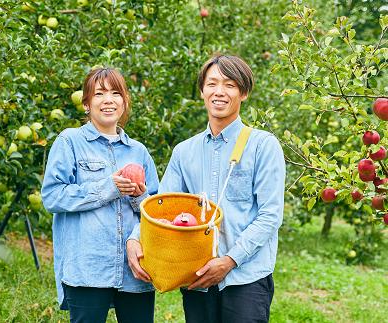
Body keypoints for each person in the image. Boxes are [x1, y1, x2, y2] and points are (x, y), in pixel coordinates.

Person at [127, 54, 285, 322]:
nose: (219, 92)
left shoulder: (263, 146)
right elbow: (160, 207)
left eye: (229, 85)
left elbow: (270, 215)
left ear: (243, 93)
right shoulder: (184, 152)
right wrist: (135, 238)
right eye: (212, 84)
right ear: (202, 91)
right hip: (197, 274)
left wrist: (229, 261)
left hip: (245, 277)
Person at [41, 67, 159, 323]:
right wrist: (109, 188)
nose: (108, 100)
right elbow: (52, 196)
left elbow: (155, 212)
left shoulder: (138, 151)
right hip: (88, 267)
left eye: (116, 93)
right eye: (99, 93)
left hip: (134, 268)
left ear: (125, 101)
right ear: (86, 102)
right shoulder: (69, 142)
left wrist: (139, 197)